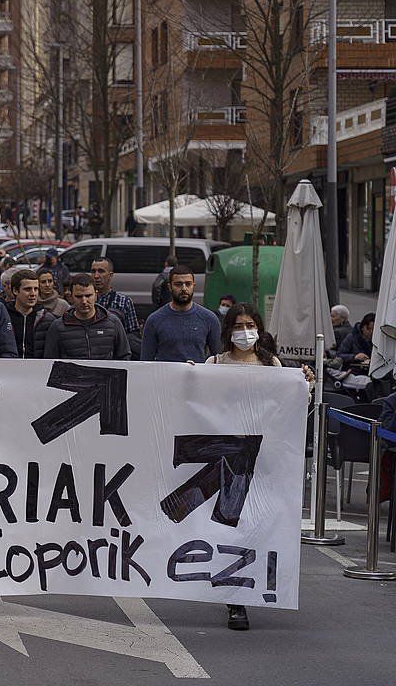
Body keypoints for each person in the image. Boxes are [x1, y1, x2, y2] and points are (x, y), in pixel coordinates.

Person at [202, 302, 282, 632]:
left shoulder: (272, 364)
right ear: (228, 330)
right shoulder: (214, 363)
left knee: (256, 527)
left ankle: (243, 592)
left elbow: (288, 407)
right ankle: (236, 600)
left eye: (250, 324)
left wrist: (302, 384)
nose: (245, 331)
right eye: (239, 325)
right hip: (227, 459)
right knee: (231, 526)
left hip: (264, 459)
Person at [140, 265, 222, 363]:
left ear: (193, 285)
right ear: (170, 287)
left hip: (198, 377)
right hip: (164, 377)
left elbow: (218, 360)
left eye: (188, 284)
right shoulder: (154, 320)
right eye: (178, 284)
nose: (184, 288)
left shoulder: (209, 319)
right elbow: (145, 361)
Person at [42, 273, 131, 360]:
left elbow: (124, 356)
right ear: (71, 297)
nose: (84, 301)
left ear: (96, 295)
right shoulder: (58, 327)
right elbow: (50, 361)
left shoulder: (113, 323)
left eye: (88, 296)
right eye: (79, 296)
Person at [90, 257, 141, 354]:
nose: (96, 276)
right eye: (93, 271)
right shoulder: (84, 300)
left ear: (110, 275)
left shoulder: (123, 301)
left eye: (101, 271)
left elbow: (133, 335)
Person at [4, 269, 50, 359]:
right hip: (8, 368)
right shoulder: (3, 316)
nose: (33, 294)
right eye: (28, 289)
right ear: (15, 291)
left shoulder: (47, 319)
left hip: (38, 370)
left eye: (36, 289)